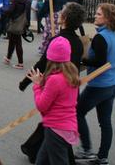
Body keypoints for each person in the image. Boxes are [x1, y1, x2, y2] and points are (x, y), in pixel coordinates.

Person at [76, 3, 115, 165]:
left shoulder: (100, 37)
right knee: (105, 122)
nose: (95, 16)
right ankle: (102, 157)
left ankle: (86, 150)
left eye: (99, 14)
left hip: (99, 86)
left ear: (108, 18)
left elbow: (100, 61)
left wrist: (82, 59)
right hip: (113, 85)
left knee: (77, 112)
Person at [27, 36, 80, 165]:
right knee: (41, 160)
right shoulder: (72, 75)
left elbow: (41, 105)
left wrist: (37, 85)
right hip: (66, 125)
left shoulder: (55, 80)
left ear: (50, 57)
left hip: (56, 129)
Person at [3, 0, 31, 69]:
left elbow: (10, 10)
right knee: (12, 40)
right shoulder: (27, 0)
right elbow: (28, 13)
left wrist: (3, 9)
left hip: (15, 21)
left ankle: (20, 63)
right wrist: (27, 24)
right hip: (22, 22)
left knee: (17, 42)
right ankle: (8, 57)